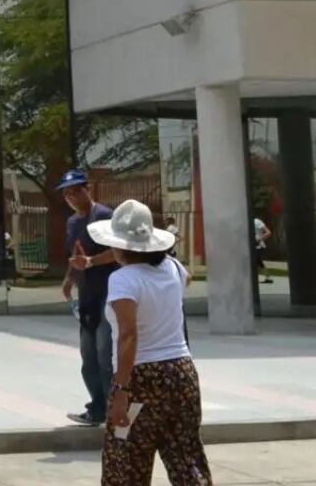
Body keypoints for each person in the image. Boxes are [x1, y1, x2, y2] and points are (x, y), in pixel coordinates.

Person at [89, 198, 210, 486]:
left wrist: (120, 391)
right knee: (185, 457)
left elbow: (128, 334)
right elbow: (188, 279)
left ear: (120, 245)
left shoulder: (123, 279)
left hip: (141, 378)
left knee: (125, 460)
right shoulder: (173, 267)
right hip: (181, 373)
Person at [59, 168, 118, 426]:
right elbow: (76, 254)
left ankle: (115, 409)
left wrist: (92, 262)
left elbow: (119, 251)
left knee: (105, 353)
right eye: (67, 194)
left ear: (87, 190)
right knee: (88, 354)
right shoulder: (73, 223)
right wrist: (69, 278)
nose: (72, 197)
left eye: (76, 191)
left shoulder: (105, 216)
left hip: (108, 292)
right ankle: (97, 407)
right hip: (87, 296)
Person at [253, 215, 273, 285]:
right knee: (258, 262)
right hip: (252, 246)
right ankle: (268, 278)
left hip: (259, 246)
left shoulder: (257, 221)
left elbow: (268, 232)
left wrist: (259, 239)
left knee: (256, 260)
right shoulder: (245, 222)